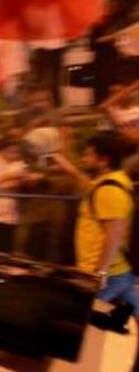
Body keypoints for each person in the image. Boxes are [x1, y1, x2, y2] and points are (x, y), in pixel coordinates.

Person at [68, 131, 137, 316]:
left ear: (103, 160)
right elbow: (90, 188)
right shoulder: (108, 182)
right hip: (117, 271)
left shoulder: (109, 190)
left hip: (108, 273)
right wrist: (70, 170)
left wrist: (100, 273)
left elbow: (113, 233)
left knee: (80, 317)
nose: (84, 159)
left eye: (89, 154)